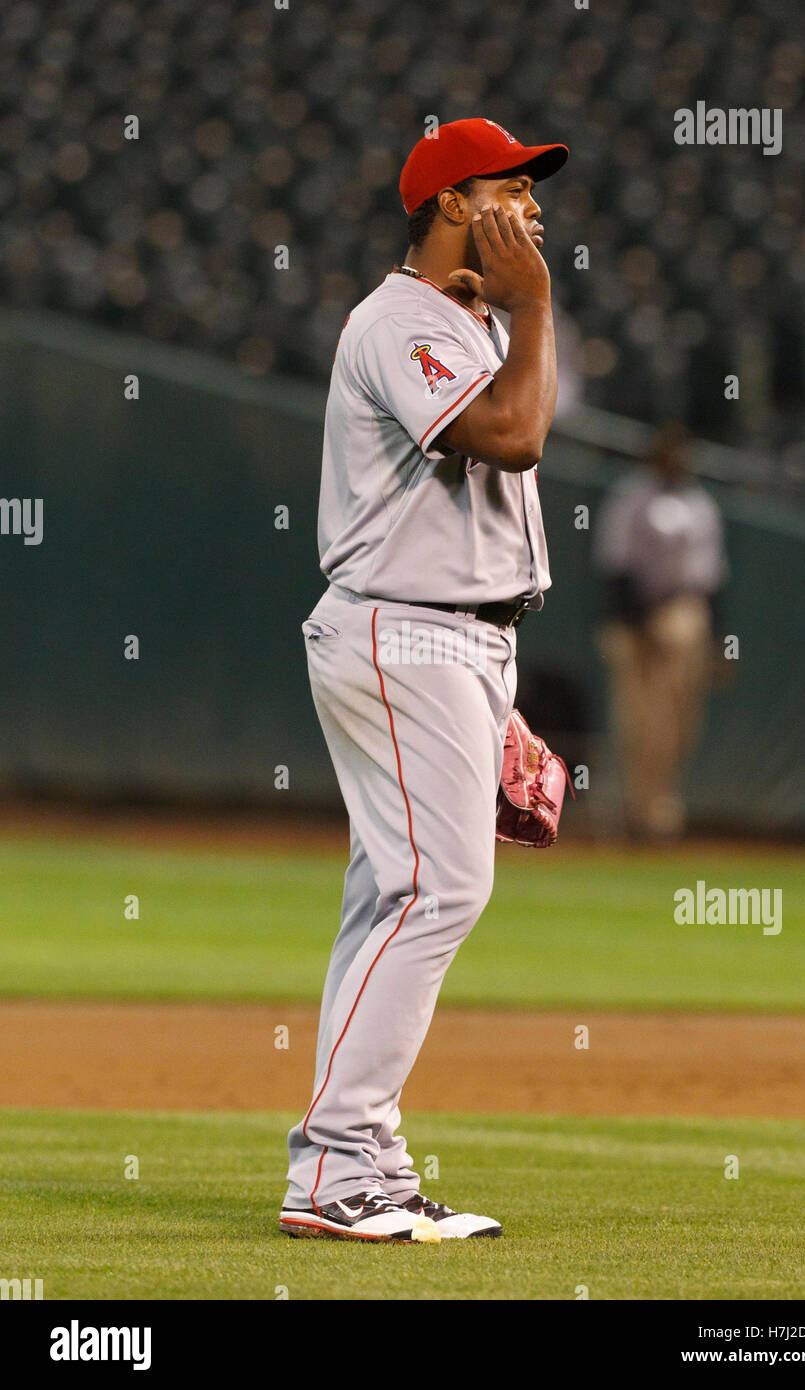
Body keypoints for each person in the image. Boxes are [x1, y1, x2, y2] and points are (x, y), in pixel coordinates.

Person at [279, 118, 568, 1243]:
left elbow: (480, 513)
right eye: (510, 190)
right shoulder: (400, 320)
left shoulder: (469, 324)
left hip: (456, 637)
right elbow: (511, 438)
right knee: (436, 891)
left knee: (394, 896)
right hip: (403, 632)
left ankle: (357, 1161)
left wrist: (501, 694)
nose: (531, 212)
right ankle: (340, 1169)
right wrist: (536, 306)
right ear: (452, 204)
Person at [594, 423, 728, 840]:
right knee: (637, 722)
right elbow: (615, 565)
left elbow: (711, 578)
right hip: (636, 622)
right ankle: (636, 811)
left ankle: (661, 807)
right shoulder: (631, 496)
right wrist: (639, 625)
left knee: (679, 724)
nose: (677, 461)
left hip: (685, 614)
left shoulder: (701, 503)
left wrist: (717, 643)